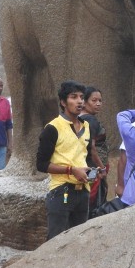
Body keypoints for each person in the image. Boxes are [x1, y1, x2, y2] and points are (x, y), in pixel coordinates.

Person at [36, 80, 97, 241]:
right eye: (73, 97)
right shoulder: (53, 128)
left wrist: (92, 170)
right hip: (60, 191)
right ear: (63, 102)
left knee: (78, 241)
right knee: (56, 241)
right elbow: (41, 164)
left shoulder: (87, 126)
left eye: (82, 97)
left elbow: (86, 156)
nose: (79, 101)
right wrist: (71, 170)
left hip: (83, 191)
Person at [79, 86, 107, 212]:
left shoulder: (78, 119)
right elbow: (92, 148)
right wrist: (102, 168)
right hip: (94, 169)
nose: (98, 104)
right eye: (94, 100)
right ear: (84, 102)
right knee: (95, 201)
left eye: (100, 101)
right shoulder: (90, 120)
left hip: (83, 167)